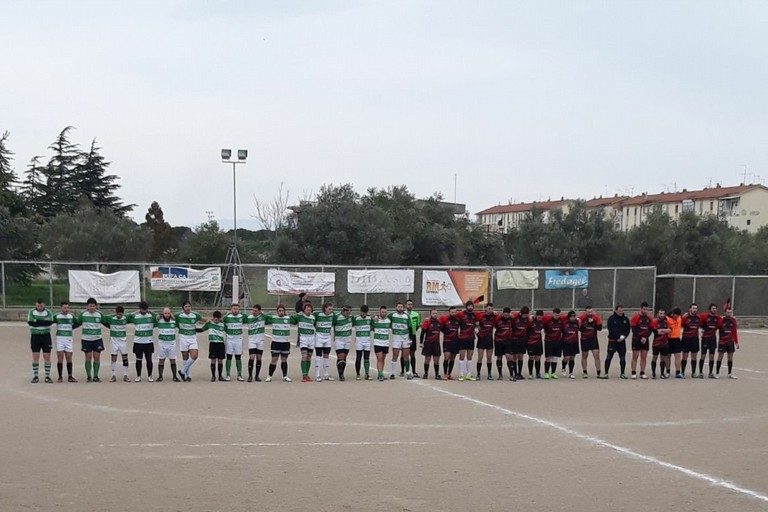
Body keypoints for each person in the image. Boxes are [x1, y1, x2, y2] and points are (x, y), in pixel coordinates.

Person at [78, 297, 105, 383]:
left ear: (96, 306)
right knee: (88, 357)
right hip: (86, 339)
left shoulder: (100, 314)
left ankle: (96, 376)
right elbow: (77, 323)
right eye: (90, 306)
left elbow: (105, 322)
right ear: (87, 306)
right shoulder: (83, 315)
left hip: (97, 339)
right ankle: (89, 376)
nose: (92, 307)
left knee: (97, 357)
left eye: (93, 306)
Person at [264, 304, 292, 382]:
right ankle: (269, 376)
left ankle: (285, 376)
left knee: (284, 360)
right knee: (274, 359)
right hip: (276, 342)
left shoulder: (288, 318)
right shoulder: (273, 318)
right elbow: (265, 319)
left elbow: (297, 319)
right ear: (277, 312)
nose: (281, 312)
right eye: (279, 311)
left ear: (284, 311)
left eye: (282, 311)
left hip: (285, 342)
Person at [28, 298, 54, 383]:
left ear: (44, 305)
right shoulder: (31, 312)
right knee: (36, 356)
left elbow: (49, 322)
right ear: (36, 305)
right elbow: (31, 323)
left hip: (46, 336)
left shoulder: (48, 312)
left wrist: (37, 321)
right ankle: (35, 376)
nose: (40, 307)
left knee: (47, 356)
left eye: (41, 305)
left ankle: (47, 376)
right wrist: (43, 321)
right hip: (35, 336)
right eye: (38, 306)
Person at [177, 301, 203, 382]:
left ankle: (182, 371)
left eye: (189, 306)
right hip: (183, 337)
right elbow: (169, 316)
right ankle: (188, 376)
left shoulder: (195, 315)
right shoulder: (178, 315)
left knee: (194, 355)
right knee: (185, 357)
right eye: (186, 306)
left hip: (192, 338)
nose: (188, 308)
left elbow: (204, 320)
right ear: (183, 308)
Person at [53, 301, 79, 383]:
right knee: (60, 358)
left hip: (68, 339)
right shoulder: (57, 316)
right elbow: (49, 322)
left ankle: (70, 376)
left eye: (67, 307)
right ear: (61, 308)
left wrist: (71, 328)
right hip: (60, 339)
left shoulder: (71, 316)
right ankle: (60, 376)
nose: (66, 309)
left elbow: (77, 323)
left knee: (69, 357)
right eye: (64, 307)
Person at [602, 305, 630, 379]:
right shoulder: (611, 319)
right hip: (613, 341)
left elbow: (627, 330)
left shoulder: (625, 319)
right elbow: (611, 330)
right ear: (616, 310)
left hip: (622, 342)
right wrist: (618, 337)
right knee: (609, 357)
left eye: (622, 311)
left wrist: (624, 336)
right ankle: (606, 373)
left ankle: (622, 373)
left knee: (622, 357)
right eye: (619, 311)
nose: (621, 312)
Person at [103, 305, 130, 383]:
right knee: (113, 358)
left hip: (123, 342)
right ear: (115, 313)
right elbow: (103, 319)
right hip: (114, 342)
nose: (119, 315)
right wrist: (109, 326)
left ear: (123, 313)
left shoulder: (126, 318)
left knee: (125, 357)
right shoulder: (111, 318)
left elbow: (131, 316)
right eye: (118, 314)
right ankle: (113, 375)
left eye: (120, 314)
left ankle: (125, 375)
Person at [129, 301, 155, 382]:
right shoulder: (136, 317)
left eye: (145, 309)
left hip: (148, 342)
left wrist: (150, 311)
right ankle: (138, 375)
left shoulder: (151, 316)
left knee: (149, 359)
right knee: (138, 359)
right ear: (139, 309)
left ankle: (150, 375)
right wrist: (135, 312)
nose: (144, 311)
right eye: (142, 309)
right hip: (138, 342)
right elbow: (128, 317)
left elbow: (157, 316)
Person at [292, 302, 317, 382]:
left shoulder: (313, 318)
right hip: (303, 338)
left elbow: (315, 325)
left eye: (310, 310)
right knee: (304, 356)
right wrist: (297, 314)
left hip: (311, 339)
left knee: (309, 357)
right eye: (307, 310)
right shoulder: (300, 316)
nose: (308, 311)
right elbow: (292, 319)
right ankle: (304, 375)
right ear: (304, 310)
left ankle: (307, 374)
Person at [197, 311, 225, 381]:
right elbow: (201, 330)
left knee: (220, 360)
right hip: (213, 344)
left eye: (218, 318)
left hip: (221, 343)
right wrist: (192, 329)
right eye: (215, 318)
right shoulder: (209, 324)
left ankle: (220, 376)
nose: (217, 320)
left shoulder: (223, 325)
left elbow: (229, 330)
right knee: (213, 360)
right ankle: (213, 376)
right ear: (213, 318)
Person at [456, 301, 480, 381]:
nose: (470, 307)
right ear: (466, 307)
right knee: (462, 356)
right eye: (469, 306)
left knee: (470, 357)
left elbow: (482, 317)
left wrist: (477, 328)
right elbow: (453, 316)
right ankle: (461, 374)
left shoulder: (475, 315)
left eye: (471, 306)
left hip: (471, 338)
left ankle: (469, 374)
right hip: (463, 338)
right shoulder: (461, 314)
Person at [154, 307, 180, 382]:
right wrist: (157, 316)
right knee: (161, 360)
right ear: (163, 313)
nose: (167, 315)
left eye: (168, 313)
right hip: (162, 343)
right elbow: (154, 319)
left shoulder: (174, 321)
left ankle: (175, 376)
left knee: (173, 360)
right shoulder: (159, 321)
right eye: (165, 313)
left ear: (170, 313)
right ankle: (160, 376)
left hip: (172, 343)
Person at [223, 302, 247, 381]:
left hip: (238, 340)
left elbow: (251, 318)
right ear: (231, 309)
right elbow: (222, 325)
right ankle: (228, 374)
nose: (235, 310)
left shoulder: (242, 316)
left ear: (239, 309)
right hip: (229, 340)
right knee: (229, 357)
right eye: (234, 309)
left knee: (238, 357)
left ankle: (239, 375)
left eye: (237, 309)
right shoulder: (226, 318)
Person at [388, 302, 413, 379]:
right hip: (396, 339)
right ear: (396, 307)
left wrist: (410, 338)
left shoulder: (407, 316)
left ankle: (408, 372)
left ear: (403, 307)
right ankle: (392, 373)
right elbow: (386, 320)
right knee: (395, 356)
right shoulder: (392, 315)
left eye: (401, 307)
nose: (400, 308)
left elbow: (410, 327)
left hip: (405, 339)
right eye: (398, 307)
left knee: (406, 356)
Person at [630, 302, 653, 379]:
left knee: (644, 357)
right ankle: (633, 372)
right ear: (641, 308)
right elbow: (634, 329)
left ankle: (642, 372)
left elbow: (650, 329)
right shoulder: (635, 317)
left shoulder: (649, 318)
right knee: (635, 356)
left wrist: (646, 337)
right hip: (636, 339)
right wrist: (640, 338)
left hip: (645, 340)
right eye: (644, 309)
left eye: (646, 309)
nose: (645, 310)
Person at [313, 302, 335, 382]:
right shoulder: (317, 314)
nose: (331, 310)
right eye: (329, 309)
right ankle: (317, 375)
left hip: (327, 337)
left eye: (332, 309)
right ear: (325, 308)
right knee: (318, 356)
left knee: (326, 356)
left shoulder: (333, 315)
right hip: (319, 337)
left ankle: (326, 375)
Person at [698, 304, 721, 379]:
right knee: (703, 355)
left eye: (715, 308)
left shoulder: (717, 318)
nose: (714, 309)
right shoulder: (705, 316)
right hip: (705, 338)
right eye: (713, 308)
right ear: (710, 309)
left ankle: (710, 373)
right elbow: (699, 320)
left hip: (712, 339)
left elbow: (719, 324)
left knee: (712, 356)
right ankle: (700, 373)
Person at [578, 306, 602, 378]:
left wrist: (594, 323)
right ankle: (585, 372)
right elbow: (579, 328)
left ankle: (598, 372)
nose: (590, 313)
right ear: (585, 312)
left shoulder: (596, 318)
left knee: (596, 356)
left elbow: (599, 328)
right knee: (584, 356)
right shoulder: (581, 318)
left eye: (591, 312)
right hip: (584, 339)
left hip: (593, 339)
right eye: (588, 312)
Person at [716, 306, 739, 379]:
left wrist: (736, 342)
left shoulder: (733, 321)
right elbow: (716, 327)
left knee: (730, 358)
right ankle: (717, 373)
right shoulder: (721, 320)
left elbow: (734, 332)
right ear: (725, 313)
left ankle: (729, 373)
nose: (729, 314)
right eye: (728, 312)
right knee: (720, 357)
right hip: (722, 342)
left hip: (730, 342)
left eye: (730, 312)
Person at [493, 307, 516, 381]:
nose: (506, 316)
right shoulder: (498, 318)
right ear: (502, 313)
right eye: (505, 315)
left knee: (509, 357)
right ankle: (500, 375)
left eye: (507, 315)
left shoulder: (511, 319)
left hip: (508, 341)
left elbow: (518, 315)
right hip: (498, 340)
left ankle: (511, 375)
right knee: (499, 357)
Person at [420, 309, 443, 379]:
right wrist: (421, 342)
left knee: (436, 360)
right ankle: (426, 373)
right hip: (428, 343)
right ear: (430, 314)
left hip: (436, 343)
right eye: (433, 313)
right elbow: (422, 333)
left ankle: (437, 374)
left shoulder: (439, 322)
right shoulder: (427, 322)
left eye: (436, 313)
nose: (435, 315)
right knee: (427, 359)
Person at [246, 304, 267, 382]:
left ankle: (257, 376)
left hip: (260, 340)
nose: (253, 312)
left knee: (259, 357)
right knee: (251, 357)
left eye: (255, 311)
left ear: (259, 311)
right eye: (253, 310)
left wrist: (263, 314)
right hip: (252, 340)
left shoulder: (263, 317)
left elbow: (271, 318)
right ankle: (250, 376)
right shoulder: (248, 318)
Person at [439, 307, 461, 380]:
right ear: (449, 312)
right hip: (447, 341)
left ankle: (449, 374)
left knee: (452, 358)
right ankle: (445, 374)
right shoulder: (445, 319)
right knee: (447, 357)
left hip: (455, 342)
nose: (453, 313)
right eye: (452, 312)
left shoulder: (458, 320)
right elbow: (440, 327)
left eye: (455, 312)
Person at [476, 303, 497, 380]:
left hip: (489, 340)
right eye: (489, 308)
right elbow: (476, 325)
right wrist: (478, 333)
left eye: (491, 309)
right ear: (485, 309)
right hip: (481, 340)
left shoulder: (494, 316)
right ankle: (478, 374)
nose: (490, 310)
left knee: (489, 358)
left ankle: (489, 374)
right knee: (480, 357)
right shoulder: (481, 316)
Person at [542, 308, 564, 379]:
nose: (557, 316)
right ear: (553, 314)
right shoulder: (548, 320)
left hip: (558, 341)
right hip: (549, 341)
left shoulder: (561, 320)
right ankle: (546, 373)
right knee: (548, 357)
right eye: (555, 315)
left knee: (555, 358)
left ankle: (553, 373)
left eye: (558, 315)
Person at [681, 303, 701, 378]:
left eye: (696, 308)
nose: (695, 310)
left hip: (695, 339)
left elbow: (702, 325)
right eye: (693, 308)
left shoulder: (698, 318)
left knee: (694, 356)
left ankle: (693, 373)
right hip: (686, 339)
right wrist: (682, 317)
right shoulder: (686, 317)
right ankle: (682, 372)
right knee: (685, 356)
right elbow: (680, 324)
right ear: (690, 309)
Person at [333, 305, 353, 381]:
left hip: (347, 339)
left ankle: (342, 372)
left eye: (350, 313)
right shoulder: (336, 316)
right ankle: (340, 374)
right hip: (339, 339)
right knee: (340, 357)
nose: (348, 315)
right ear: (343, 311)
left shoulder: (351, 318)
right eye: (347, 313)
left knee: (344, 357)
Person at [353, 305, 373, 380]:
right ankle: (358, 374)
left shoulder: (369, 318)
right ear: (360, 311)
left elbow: (373, 326)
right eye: (363, 313)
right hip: (359, 340)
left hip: (367, 340)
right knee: (358, 357)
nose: (364, 314)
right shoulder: (356, 318)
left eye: (365, 313)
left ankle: (367, 374)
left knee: (367, 358)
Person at [372, 306, 392, 381]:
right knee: (379, 358)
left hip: (385, 343)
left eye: (385, 312)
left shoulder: (388, 321)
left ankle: (381, 373)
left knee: (383, 359)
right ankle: (380, 374)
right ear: (379, 312)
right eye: (382, 312)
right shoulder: (375, 320)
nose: (384, 313)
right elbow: (371, 326)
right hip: (377, 342)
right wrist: (374, 317)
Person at [650, 308, 671, 379]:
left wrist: (662, 330)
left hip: (664, 343)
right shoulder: (655, 322)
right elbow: (656, 332)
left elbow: (669, 330)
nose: (662, 315)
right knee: (654, 358)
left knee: (663, 359)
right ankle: (653, 373)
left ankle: (662, 373)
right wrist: (664, 331)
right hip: (656, 343)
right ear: (658, 314)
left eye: (663, 313)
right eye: (660, 313)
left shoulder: (666, 322)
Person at [510, 307, 530, 379]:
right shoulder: (515, 317)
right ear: (521, 313)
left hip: (523, 340)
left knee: (521, 356)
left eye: (526, 314)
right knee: (515, 356)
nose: (525, 316)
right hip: (514, 339)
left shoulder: (527, 319)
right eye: (524, 314)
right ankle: (515, 373)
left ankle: (519, 373)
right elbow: (510, 326)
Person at [525, 310, 545, 379]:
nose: (540, 318)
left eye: (541, 317)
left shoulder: (542, 322)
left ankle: (538, 373)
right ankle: (530, 374)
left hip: (539, 343)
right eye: (538, 317)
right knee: (531, 357)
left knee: (538, 358)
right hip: (530, 342)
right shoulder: (530, 321)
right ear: (536, 315)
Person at [561, 311, 580, 379]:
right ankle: (563, 367)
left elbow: (580, 328)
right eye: (571, 317)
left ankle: (571, 373)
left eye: (574, 316)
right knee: (567, 357)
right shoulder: (565, 323)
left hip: (574, 342)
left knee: (572, 357)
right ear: (569, 317)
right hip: (566, 342)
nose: (573, 318)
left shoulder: (577, 323)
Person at [404, 299, 420, 378]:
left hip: (412, 335)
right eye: (408, 304)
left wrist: (413, 331)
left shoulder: (416, 314)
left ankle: (414, 371)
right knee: (404, 354)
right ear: (405, 305)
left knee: (412, 354)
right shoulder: (403, 314)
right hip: (404, 335)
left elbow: (417, 326)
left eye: (411, 304)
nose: (410, 306)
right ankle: (402, 371)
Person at [667, 308, 683, 378]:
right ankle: (667, 371)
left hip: (676, 339)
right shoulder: (667, 319)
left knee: (678, 356)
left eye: (678, 316)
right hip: (668, 339)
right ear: (672, 314)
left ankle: (678, 372)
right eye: (676, 315)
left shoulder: (680, 318)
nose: (677, 317)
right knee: (668, 356)